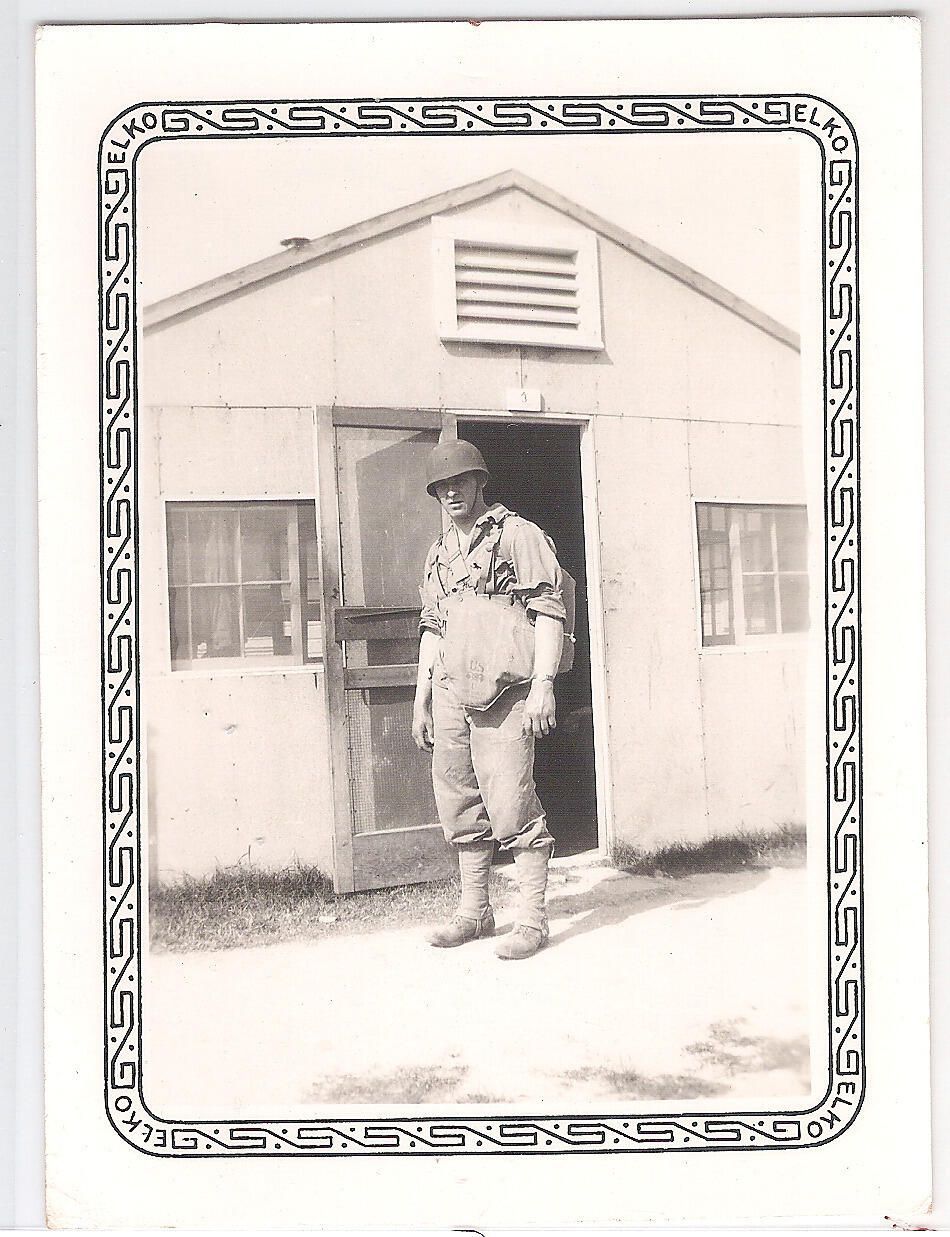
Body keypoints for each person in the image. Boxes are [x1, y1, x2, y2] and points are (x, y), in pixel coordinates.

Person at [412, 440, 566, 961]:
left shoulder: (519, 535)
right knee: (459, 798)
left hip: (506, 687)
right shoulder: (439, 551)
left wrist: (543, 684)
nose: (451, 492)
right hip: (451, 689)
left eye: (460, 481)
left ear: (480, 482)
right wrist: (421, 698)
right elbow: (433, 627)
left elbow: (548, 611)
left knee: (511, 799)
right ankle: (475, 911)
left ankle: (532, 920)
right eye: (442, 486)